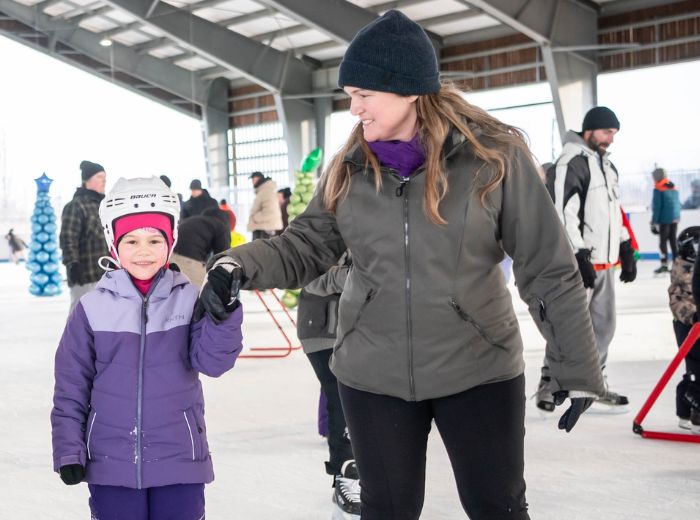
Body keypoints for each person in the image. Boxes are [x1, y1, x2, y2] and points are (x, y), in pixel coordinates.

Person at [200, 11, 604, 520]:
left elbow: (547, 266)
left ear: (409, 89)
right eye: (350, 95)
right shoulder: (349, 166)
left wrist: (576, 366)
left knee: (496, 509)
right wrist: (236, 264)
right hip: (373, 374)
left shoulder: (494, 158)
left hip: (477, 369)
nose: (354, 108)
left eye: (364, 94)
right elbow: (305, 245)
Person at [51, 176, 244, 520]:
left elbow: (213, 363)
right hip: (111, 463)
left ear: (170, 243)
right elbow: (70, 387)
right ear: (114, 245)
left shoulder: (189, 298)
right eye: (132, 240)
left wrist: (223, 315)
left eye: (155, 239)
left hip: (179, 459)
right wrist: (69, 451)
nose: (144, 251)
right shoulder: (91, 309)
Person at [539, 105, 637, 412]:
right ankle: (548, 386)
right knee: (568, 327)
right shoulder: (572, 162)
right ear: (589, 129)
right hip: (579, 265)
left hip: (605, 264)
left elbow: (614, 213)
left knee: (603, 328)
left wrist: (625, 248)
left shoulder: (608, 167)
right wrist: (578, 254)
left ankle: (595, 384)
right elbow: (561, 212)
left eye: (614, 134)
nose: (611, 139)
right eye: (607, 132)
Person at [297, 252, 359, 515]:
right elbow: (306, 273)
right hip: (323, 327)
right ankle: (346, 470)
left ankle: (363, 468)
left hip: (363, 328)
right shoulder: (323, 226)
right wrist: (360, 276)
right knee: (340, 395)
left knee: (357, 396)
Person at [59, 160, 109, 312]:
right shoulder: (76, 206)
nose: (104, 181)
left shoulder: (103, 206)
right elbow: (68, 239)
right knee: (80, 318)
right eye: (100, 177)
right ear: (88, 180)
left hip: (105, 275)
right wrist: (73, 265)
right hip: (85, 276)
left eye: (105, 177)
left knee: (103, 319)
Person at [669, 226, 700, 433]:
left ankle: (685, 411)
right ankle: (694, 410)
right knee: (696, 367)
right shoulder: (682, 272)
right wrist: (693, 316)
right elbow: (678, 301)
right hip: (687, 328)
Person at [170, 207, 231, 287]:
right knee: (200, 293)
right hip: (190, 261)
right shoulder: (221, 226)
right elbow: (223, 255)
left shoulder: (194, 220)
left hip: (170, 257)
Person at [650, 167, 681, 274]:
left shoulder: (658, 188)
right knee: (673, 242)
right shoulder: (673, 187)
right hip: (675, 219)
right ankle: (677, 265)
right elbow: (677, 204)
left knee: (663, 242)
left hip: (664, 219)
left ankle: (664, 265)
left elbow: (657, 207)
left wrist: (653, 222)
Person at [247, 171, 282, 240]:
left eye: (254, 179)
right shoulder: (263, 190)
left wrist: (255, 218)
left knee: (260, 250)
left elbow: (270, 210)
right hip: (262, 227)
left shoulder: (266, 191)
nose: (252, 182)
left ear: (259, 179)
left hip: (264, 229)